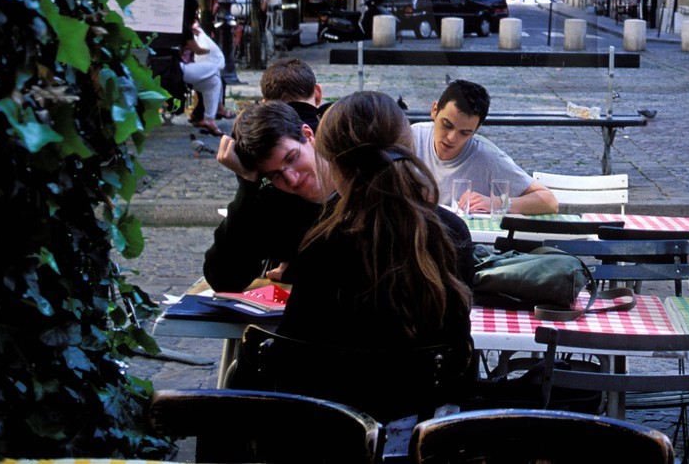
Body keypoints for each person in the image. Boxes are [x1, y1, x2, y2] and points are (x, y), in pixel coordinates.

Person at [273, 91, 474, 417]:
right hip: (421, 419)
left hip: (338, 426)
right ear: (407, 146)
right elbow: (457, 345)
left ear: (333, 162)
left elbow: (292, 355)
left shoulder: (324, 243)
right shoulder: (449, 231)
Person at [203, 97, 332, 291]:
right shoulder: (276, 204)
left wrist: (300, 270)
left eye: (292, 158)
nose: (292, 179)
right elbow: (225, 279)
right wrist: (247, 185)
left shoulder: (361, 181)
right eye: (274, 175)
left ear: (308, 134)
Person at [410, 79, 558, 215]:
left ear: (477, 128)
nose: (452, 138)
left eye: (465, 133)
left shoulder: (488, 157)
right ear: (434, 110)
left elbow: (549, 202)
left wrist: (497, 203)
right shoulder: (411, 138)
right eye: (447, 125)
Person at [179, 18, 225, 136]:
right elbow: (198, 50)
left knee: (214, 81)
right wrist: (210, 49)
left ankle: (209, 119)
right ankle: (214, 113)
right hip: (179, 69)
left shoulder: (178, 26)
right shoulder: (185, 29)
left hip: (178, 69)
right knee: (215, 68)